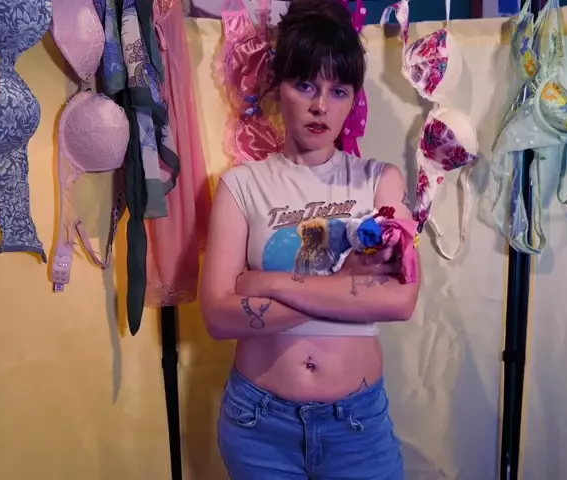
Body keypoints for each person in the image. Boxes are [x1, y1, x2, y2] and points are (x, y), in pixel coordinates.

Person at [199, 0, 421, 478]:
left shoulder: (379, 181)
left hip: (356, 427)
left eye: (338, 91)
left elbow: (400, 300)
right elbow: (218, 316)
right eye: (305, 85)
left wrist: (267, 283)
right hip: (259, 426)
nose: (321, 105)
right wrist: (346, 285)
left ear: (353, 98)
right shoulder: (241, 186)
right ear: (278, 86)